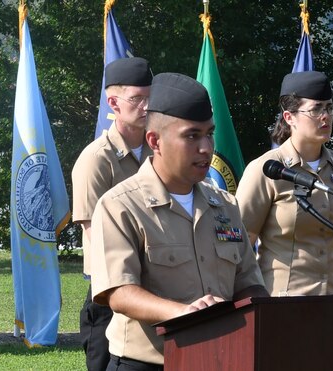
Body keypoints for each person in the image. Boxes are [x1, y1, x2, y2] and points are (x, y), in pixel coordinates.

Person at [89, 72, 268, 371]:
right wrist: (186, 313)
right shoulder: (120, 205)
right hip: (148, 363)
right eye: (191, 135)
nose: (206, 148)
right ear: (155, 140)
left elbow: (248, 282)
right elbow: (119, 292)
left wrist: (261, 312)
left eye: (209, 134)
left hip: (219, 359)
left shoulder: (225, 205)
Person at [235, 71, 333, 296]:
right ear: (289, 117)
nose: (326, 116)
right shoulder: (266, 170)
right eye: (316, 109)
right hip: (284, 305)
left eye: (329, 108)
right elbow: (241, 248)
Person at [72, 57, 153, 371]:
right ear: (113, 103)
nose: (146, 106)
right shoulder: (97, 159)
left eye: (151, 97)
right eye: (137, 99)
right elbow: (96, 234)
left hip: (153, 285)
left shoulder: (157, 153)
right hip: (110, 294)